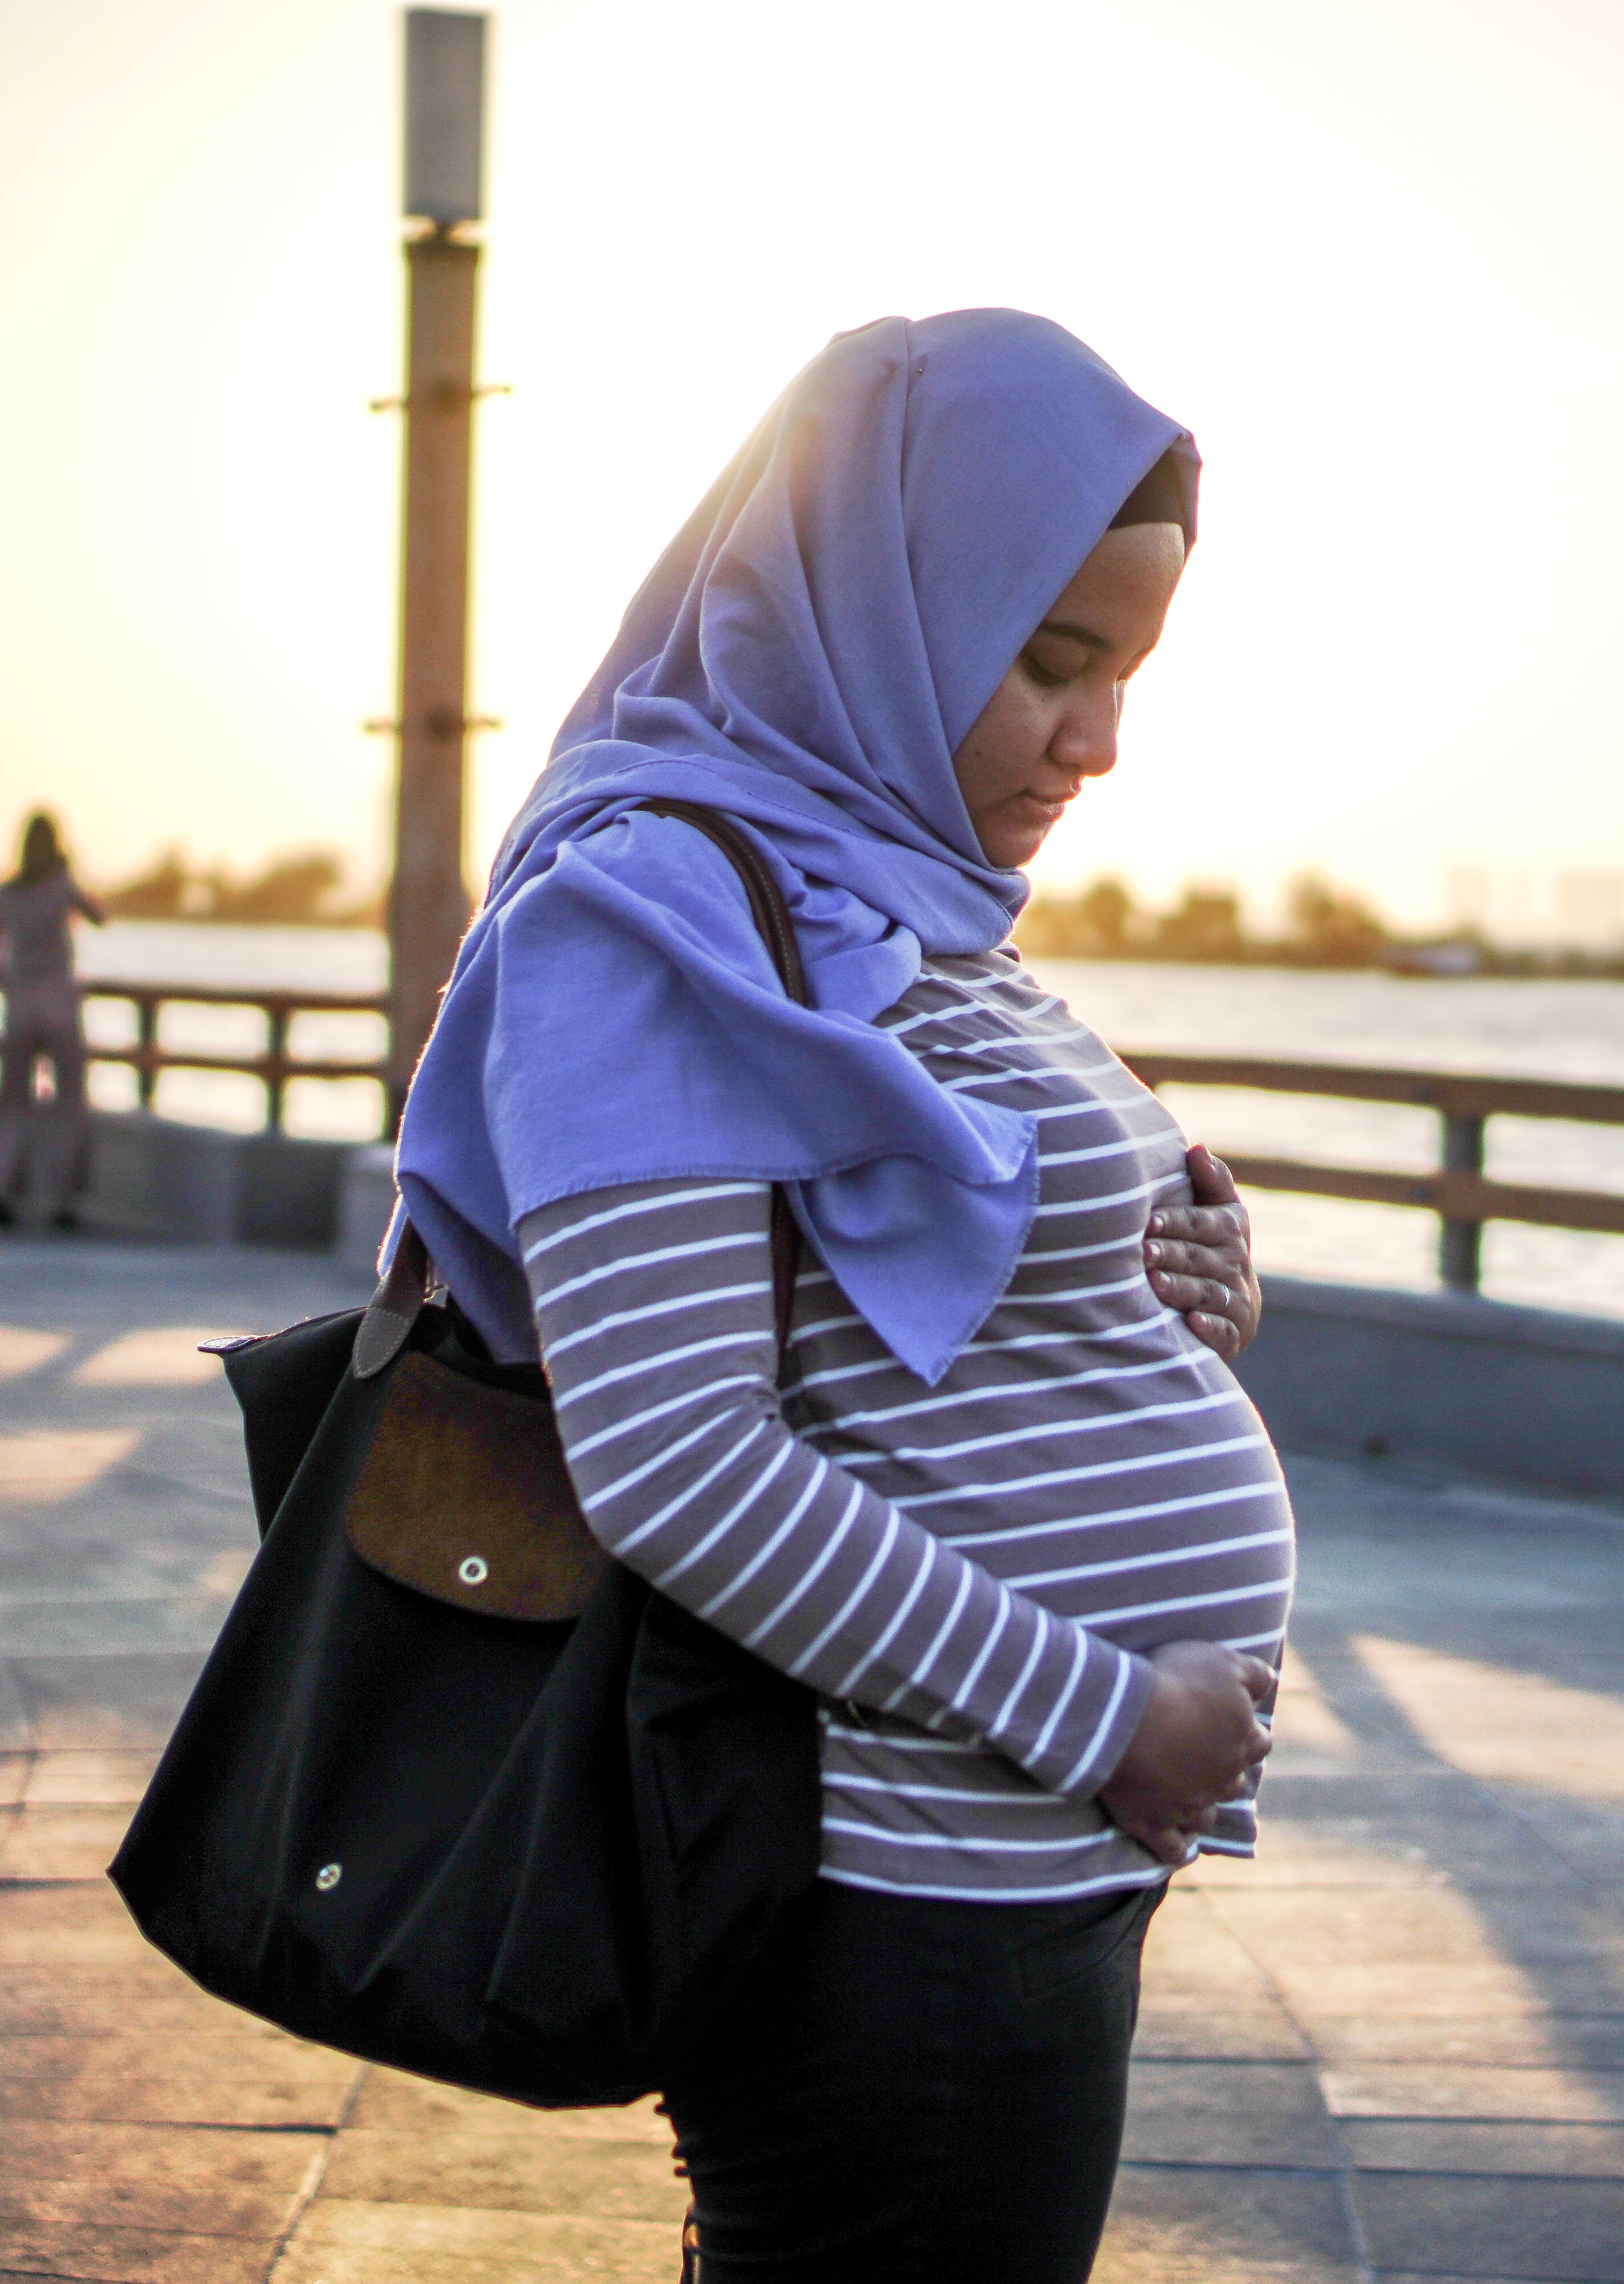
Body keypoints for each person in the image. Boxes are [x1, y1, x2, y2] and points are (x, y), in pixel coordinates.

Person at [393, 312, 1279, 2282]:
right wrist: (1116, 1719)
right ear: (885, 606)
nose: (1100, 741)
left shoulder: (888, 895)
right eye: (1049, 662)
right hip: (910, 1880)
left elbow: (876, 1333)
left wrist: (1158, 1311)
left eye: (1128, 675)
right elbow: (680, 1459)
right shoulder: (648, 915)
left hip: (1007, 1861)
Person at [0, 811, 107, 1229]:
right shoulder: (61, 887)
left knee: (13, 1103)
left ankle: (1, 1188)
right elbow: (99, 916)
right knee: (68, 1103)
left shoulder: (5, 893)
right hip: (57, 1000)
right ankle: (63, 1201)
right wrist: (72, 874)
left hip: (18, 1001)